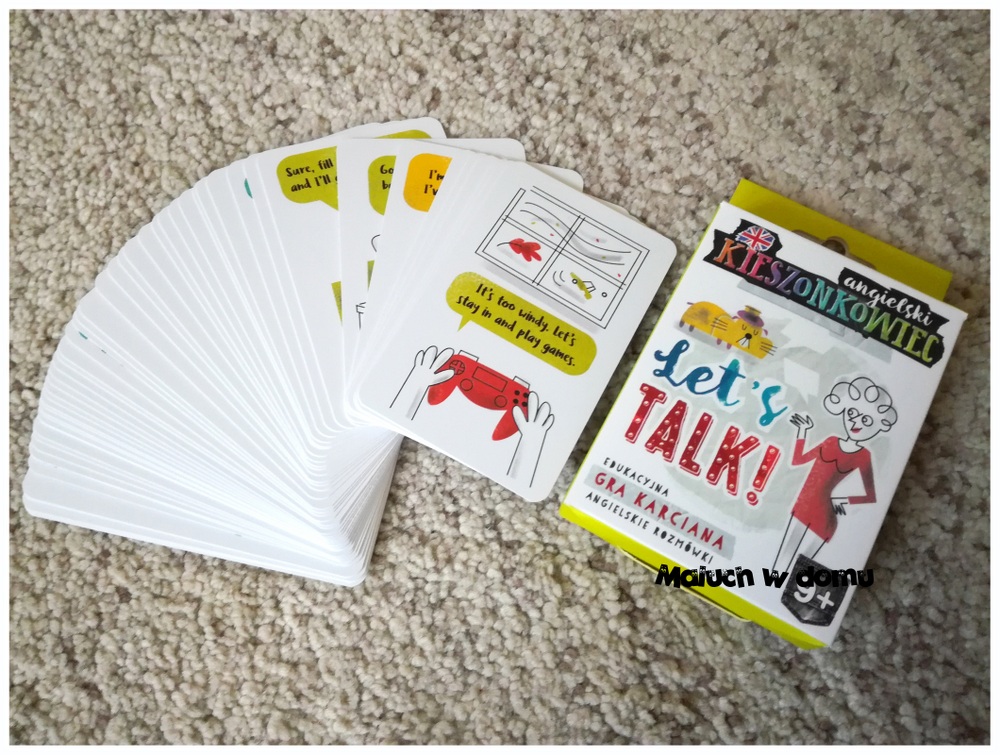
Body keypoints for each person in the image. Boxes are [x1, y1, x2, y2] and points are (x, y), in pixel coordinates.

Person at [772, 376, 897, 574]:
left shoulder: (864, 455)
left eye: (865, 420)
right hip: (803, 504)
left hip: (826, 517)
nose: (856, 422)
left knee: (800, 571)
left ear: (877, 425)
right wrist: (803, 431)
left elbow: (870, 495)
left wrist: (843, 500)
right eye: (852, 413)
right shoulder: (830, 441)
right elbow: (798, 460)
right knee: (782, 560)